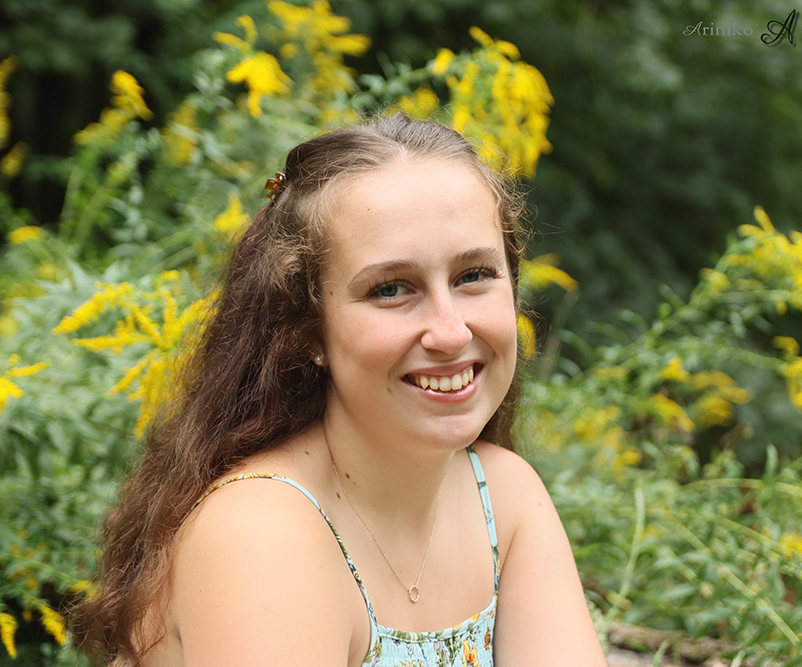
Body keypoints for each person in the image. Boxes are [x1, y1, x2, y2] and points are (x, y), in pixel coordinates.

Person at [72, 113, 608, 667]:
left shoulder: (500, 494)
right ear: (308, 329)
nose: (451, 332)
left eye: (473, 275)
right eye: (392, 288)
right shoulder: (262, 535)